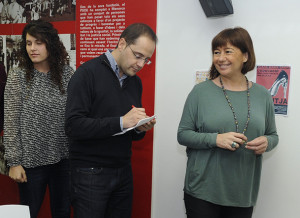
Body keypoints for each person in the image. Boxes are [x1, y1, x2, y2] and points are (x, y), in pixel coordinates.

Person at [177, 27, 278, 218]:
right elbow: (183, 134)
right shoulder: (200, 92)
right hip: (203, 191)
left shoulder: (263, 95)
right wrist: (216, 139)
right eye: (216, 52)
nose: (220, 58)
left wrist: (267, 142)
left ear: (246, 56)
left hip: (242, 192)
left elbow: (273, 135)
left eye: (228, 51)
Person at [65, 23, 157, 218]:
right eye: (138, 55)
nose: (141, 64)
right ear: (122, 44)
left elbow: (127, 134)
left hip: (123, 170)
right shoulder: (87, 73)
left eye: (146, 60)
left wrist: (139, 129)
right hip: (90, 173)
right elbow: (73, 126)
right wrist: (122, 122)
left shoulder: (135, 81)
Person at [4, 20, 74, 218]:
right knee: (29, 213)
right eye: (28, 43)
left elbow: (74, 116)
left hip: (63, 159)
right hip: (31, 163)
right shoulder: (18, 76)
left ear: (50, 44)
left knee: (62, 212)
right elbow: (10, 121)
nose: (32, 48)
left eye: (38, 42)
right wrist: (14, 162)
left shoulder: (67, 74)